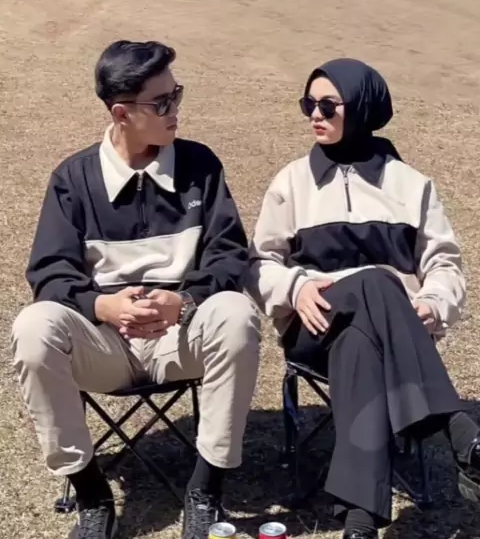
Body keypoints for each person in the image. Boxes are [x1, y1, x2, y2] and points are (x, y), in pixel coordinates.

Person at [12, 40, 261, 539]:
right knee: (33, 327)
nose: (176, 110)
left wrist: (184, 301)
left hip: (182, 337)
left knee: (236, 313)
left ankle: (205, 492)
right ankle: (91, 495)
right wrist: (101, 305)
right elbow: (50, 272)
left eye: (176, 94)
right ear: (122, 114)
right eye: (162, 102)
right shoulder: (74, 179)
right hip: (105, 345)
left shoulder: (200, 166)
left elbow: (230, 253)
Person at [248, 58, 480, 539]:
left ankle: (360, 522)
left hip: (391, 338)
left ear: (362, 108)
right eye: (308, 104)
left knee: (361, 343)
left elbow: (444, 264)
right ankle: (457, 426)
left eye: (328, 105)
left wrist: (432, 303)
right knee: (375, 280)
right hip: (313, 327)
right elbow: (259, 263)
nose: (315, 114)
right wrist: (295, 287)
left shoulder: (411, 185)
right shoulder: (291, 182)